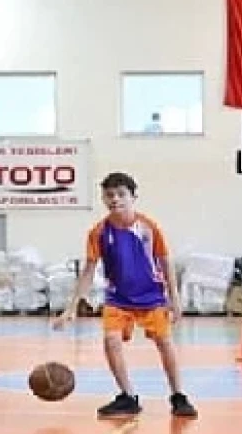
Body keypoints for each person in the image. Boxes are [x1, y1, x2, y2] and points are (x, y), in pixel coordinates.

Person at [53, 172, 197, 419]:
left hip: (151, 296)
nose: (115, 199)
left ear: (133, 197)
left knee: (164, 342)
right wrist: (72, 306)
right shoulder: (98, 232)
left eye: (121, 194)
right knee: (111, 340)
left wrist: (174, 298)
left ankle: (178, 395)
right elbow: (89, 270)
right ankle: (128, 396)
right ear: (103, 199)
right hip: (118, 298)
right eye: (109, 195)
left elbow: (165, 261)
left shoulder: (149, 227)